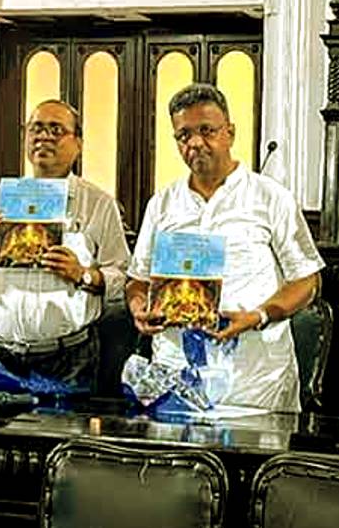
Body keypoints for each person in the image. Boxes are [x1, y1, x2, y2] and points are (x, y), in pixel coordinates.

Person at [126, 83, 323, 413]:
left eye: (207, 130)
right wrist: (136, 308)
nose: (196, 143)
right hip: (175, 377)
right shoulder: (161, 204)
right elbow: (138, 280)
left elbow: (306, 281)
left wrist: (258, 316)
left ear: (230, 133)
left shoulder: (271, 198)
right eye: (184, 135)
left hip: (255, 380)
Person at [0, 100, 131, 387]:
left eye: (56, 130)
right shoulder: (1, 196)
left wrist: (83, 274)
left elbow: (122, 275)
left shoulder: (99, 203)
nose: (44, 137)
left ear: (77, 143)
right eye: (36, 129)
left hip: (69, 358)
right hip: (1, 355)